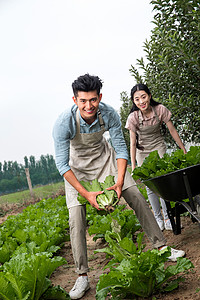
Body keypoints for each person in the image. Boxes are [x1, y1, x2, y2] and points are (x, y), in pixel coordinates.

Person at [52, 74, 185, 300]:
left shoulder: (109, 113)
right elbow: (62, 164)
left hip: (105, 159)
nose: (88, 105)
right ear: (75, 100)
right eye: (83, 101)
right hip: (77, 169)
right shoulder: (63, 122)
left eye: (93, 100)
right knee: (76, 218)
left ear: (99, 97)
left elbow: (121, 149)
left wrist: (120, 182)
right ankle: (82, 275)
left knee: (135, 195)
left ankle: (162, 248)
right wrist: (86, 194)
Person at [125, 83, 187, 231]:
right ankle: (158, 218)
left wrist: (183, 148)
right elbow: (133, 143)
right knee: (151, 187)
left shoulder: (160, 110)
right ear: (134, 101)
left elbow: (172, 130)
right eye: (137, 99)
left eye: (143, 97)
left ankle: (167, 217)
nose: (141, 101)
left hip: (158, 146)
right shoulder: (133, 117)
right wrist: (133, 165)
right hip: (142, 151)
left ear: (149, 96)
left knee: (163, 183)